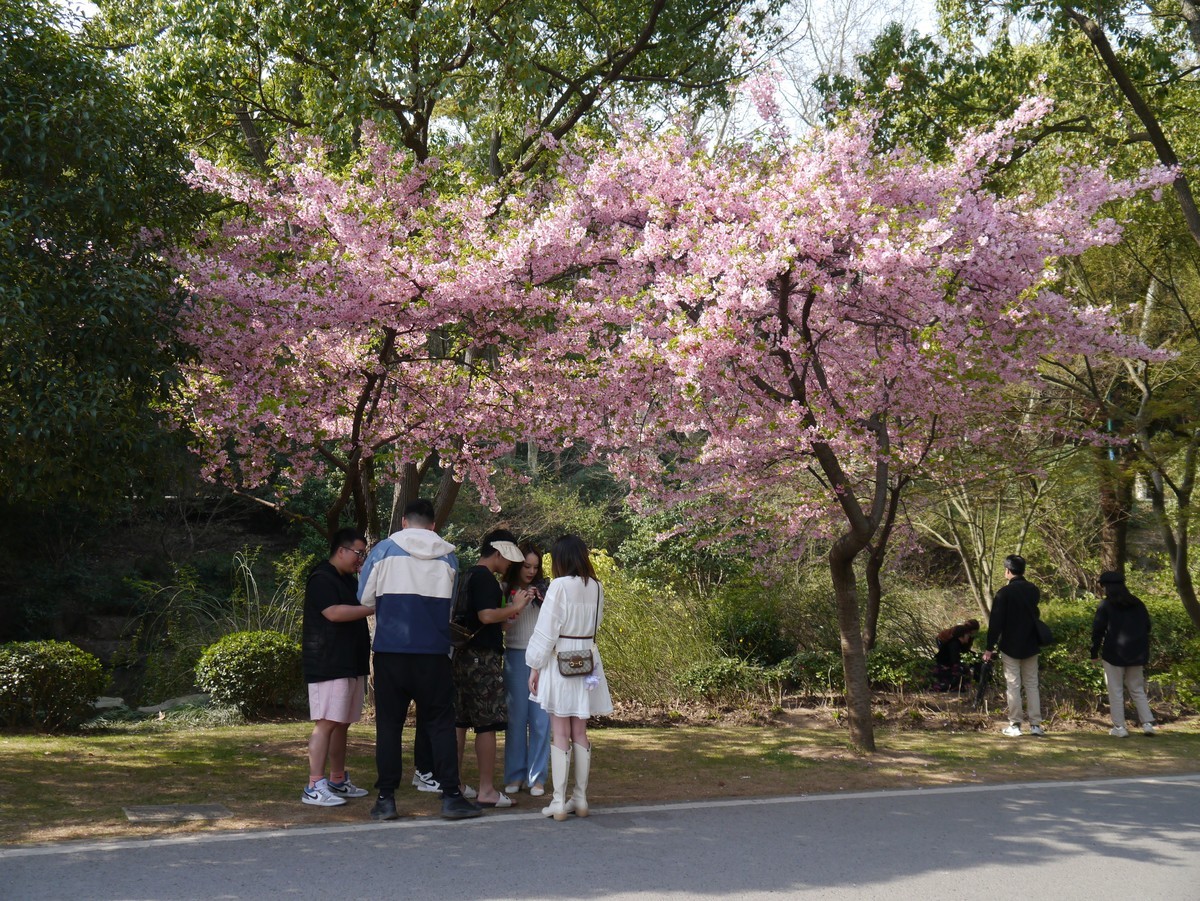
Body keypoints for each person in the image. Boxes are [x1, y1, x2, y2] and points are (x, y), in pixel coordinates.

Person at [358, 499, 481, 820]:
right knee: (440, 725)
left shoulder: (383, 550)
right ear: (433, 526)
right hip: (433, 653)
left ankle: (386, 799)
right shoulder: (449, 556)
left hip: (390, 653)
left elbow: (364, 598)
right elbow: (450, 607)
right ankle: (451, 796)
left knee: (389, 727)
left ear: (403, 521)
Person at [526, 534, 614, 820]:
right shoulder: (597, 587)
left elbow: (546, 629)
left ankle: (558, 800)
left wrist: (534, 665)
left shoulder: (559, 586)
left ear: (560, 559)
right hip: (587, 659)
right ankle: (581, 798)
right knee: (580, 731)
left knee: (560, 731)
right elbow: (597, 622)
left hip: (561, 658)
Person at [453, 529, 533, 808]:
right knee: (487, 724)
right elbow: (486, 616)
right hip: (482, 659)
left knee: (460, 722)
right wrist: (515, 606)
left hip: (460, 656)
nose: (510, 564)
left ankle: (456, 784)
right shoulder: (486, 578)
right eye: (508, 558)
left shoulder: (465, 575)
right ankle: (487, 789)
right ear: (497, 553)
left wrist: (508, 614)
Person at [301, 528, 375, 807]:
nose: (360, 559)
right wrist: (372, 608)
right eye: (358, 553)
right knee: (326, 723)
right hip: (328, 662)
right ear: (341, 551)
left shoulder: (347, 579)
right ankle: (313, 785)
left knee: (342, 723)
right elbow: (333, 613)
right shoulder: (322, 577)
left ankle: (337, 779)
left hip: (350, 662)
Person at [502, 543, 552, 797]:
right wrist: (516, 605)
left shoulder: (547, 589)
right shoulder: (505, 589)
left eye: (535, 567)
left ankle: (538, 777)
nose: (531, 571)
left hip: (542, 659)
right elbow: (501, 627)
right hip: (514, 656)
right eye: (526, 566)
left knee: (541, 720)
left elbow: (556, 621)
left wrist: (540, 598)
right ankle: (514, 775)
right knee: (516, 720)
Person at [1090, 571, 1157, 737]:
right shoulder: (1137, 603)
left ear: (1106, 587)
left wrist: (1094, 651)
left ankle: (1120, 727)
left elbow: (1098, 630)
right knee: (1137, 689)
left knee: (1115, 690)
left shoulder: (1105, 605)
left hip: (1113, 653)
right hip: (1137, 653)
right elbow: (1147, 626)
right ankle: (1147, 723)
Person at [983, 555, 1044, 736]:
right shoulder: (1033, 590)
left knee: (1013, 684)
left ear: (1008, 571)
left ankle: (1015, 724)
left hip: (1010, 644)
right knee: (1032, 684)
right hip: (1031, 643)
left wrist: (989, 647)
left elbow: (996, 623)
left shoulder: (1004, 593)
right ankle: (1036, 725)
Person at [933, 619, 980, 692]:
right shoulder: (958, 632)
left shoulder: (967, 636)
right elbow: (955, 649)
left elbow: (966, 649)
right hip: (942, 641)